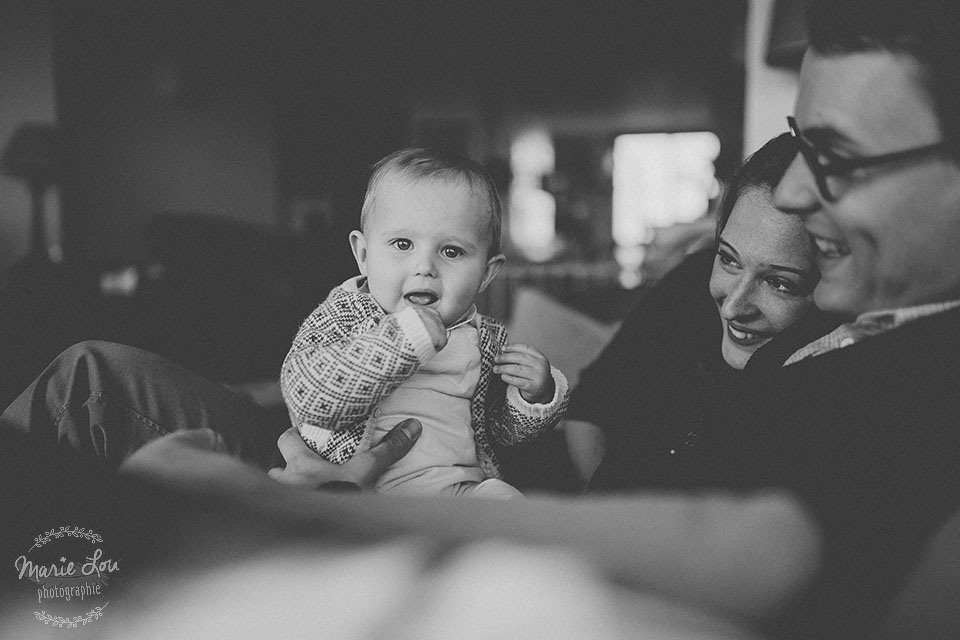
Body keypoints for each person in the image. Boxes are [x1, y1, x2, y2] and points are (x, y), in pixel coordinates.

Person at [5, 1, 960, 638]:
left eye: (836, 155)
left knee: (100, 491)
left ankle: (58, 592)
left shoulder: (897, 364)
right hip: (334, 444)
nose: (801, 197)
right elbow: (324, 377)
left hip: (435, 495)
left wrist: (302, 500)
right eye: (799, 142)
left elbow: (764, 551)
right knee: (94, 372)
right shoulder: (750, 272)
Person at [281, 148, 568, 498]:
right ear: (364, 256)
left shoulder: (485, 339)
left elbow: (500, 432)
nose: (425, 267)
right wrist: (405, 339)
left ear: (486, 274)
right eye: (403, 244)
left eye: (451, 251)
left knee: (506, 498)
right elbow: (308, 395)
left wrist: (534, 396)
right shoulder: (346, 314)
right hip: (359, 492)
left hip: (460, 491)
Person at [564, 132, 841, 490]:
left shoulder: (828, 387)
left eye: (780, 283)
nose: (733, 306)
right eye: (728, 259)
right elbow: (592, 406)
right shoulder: (691, 283)